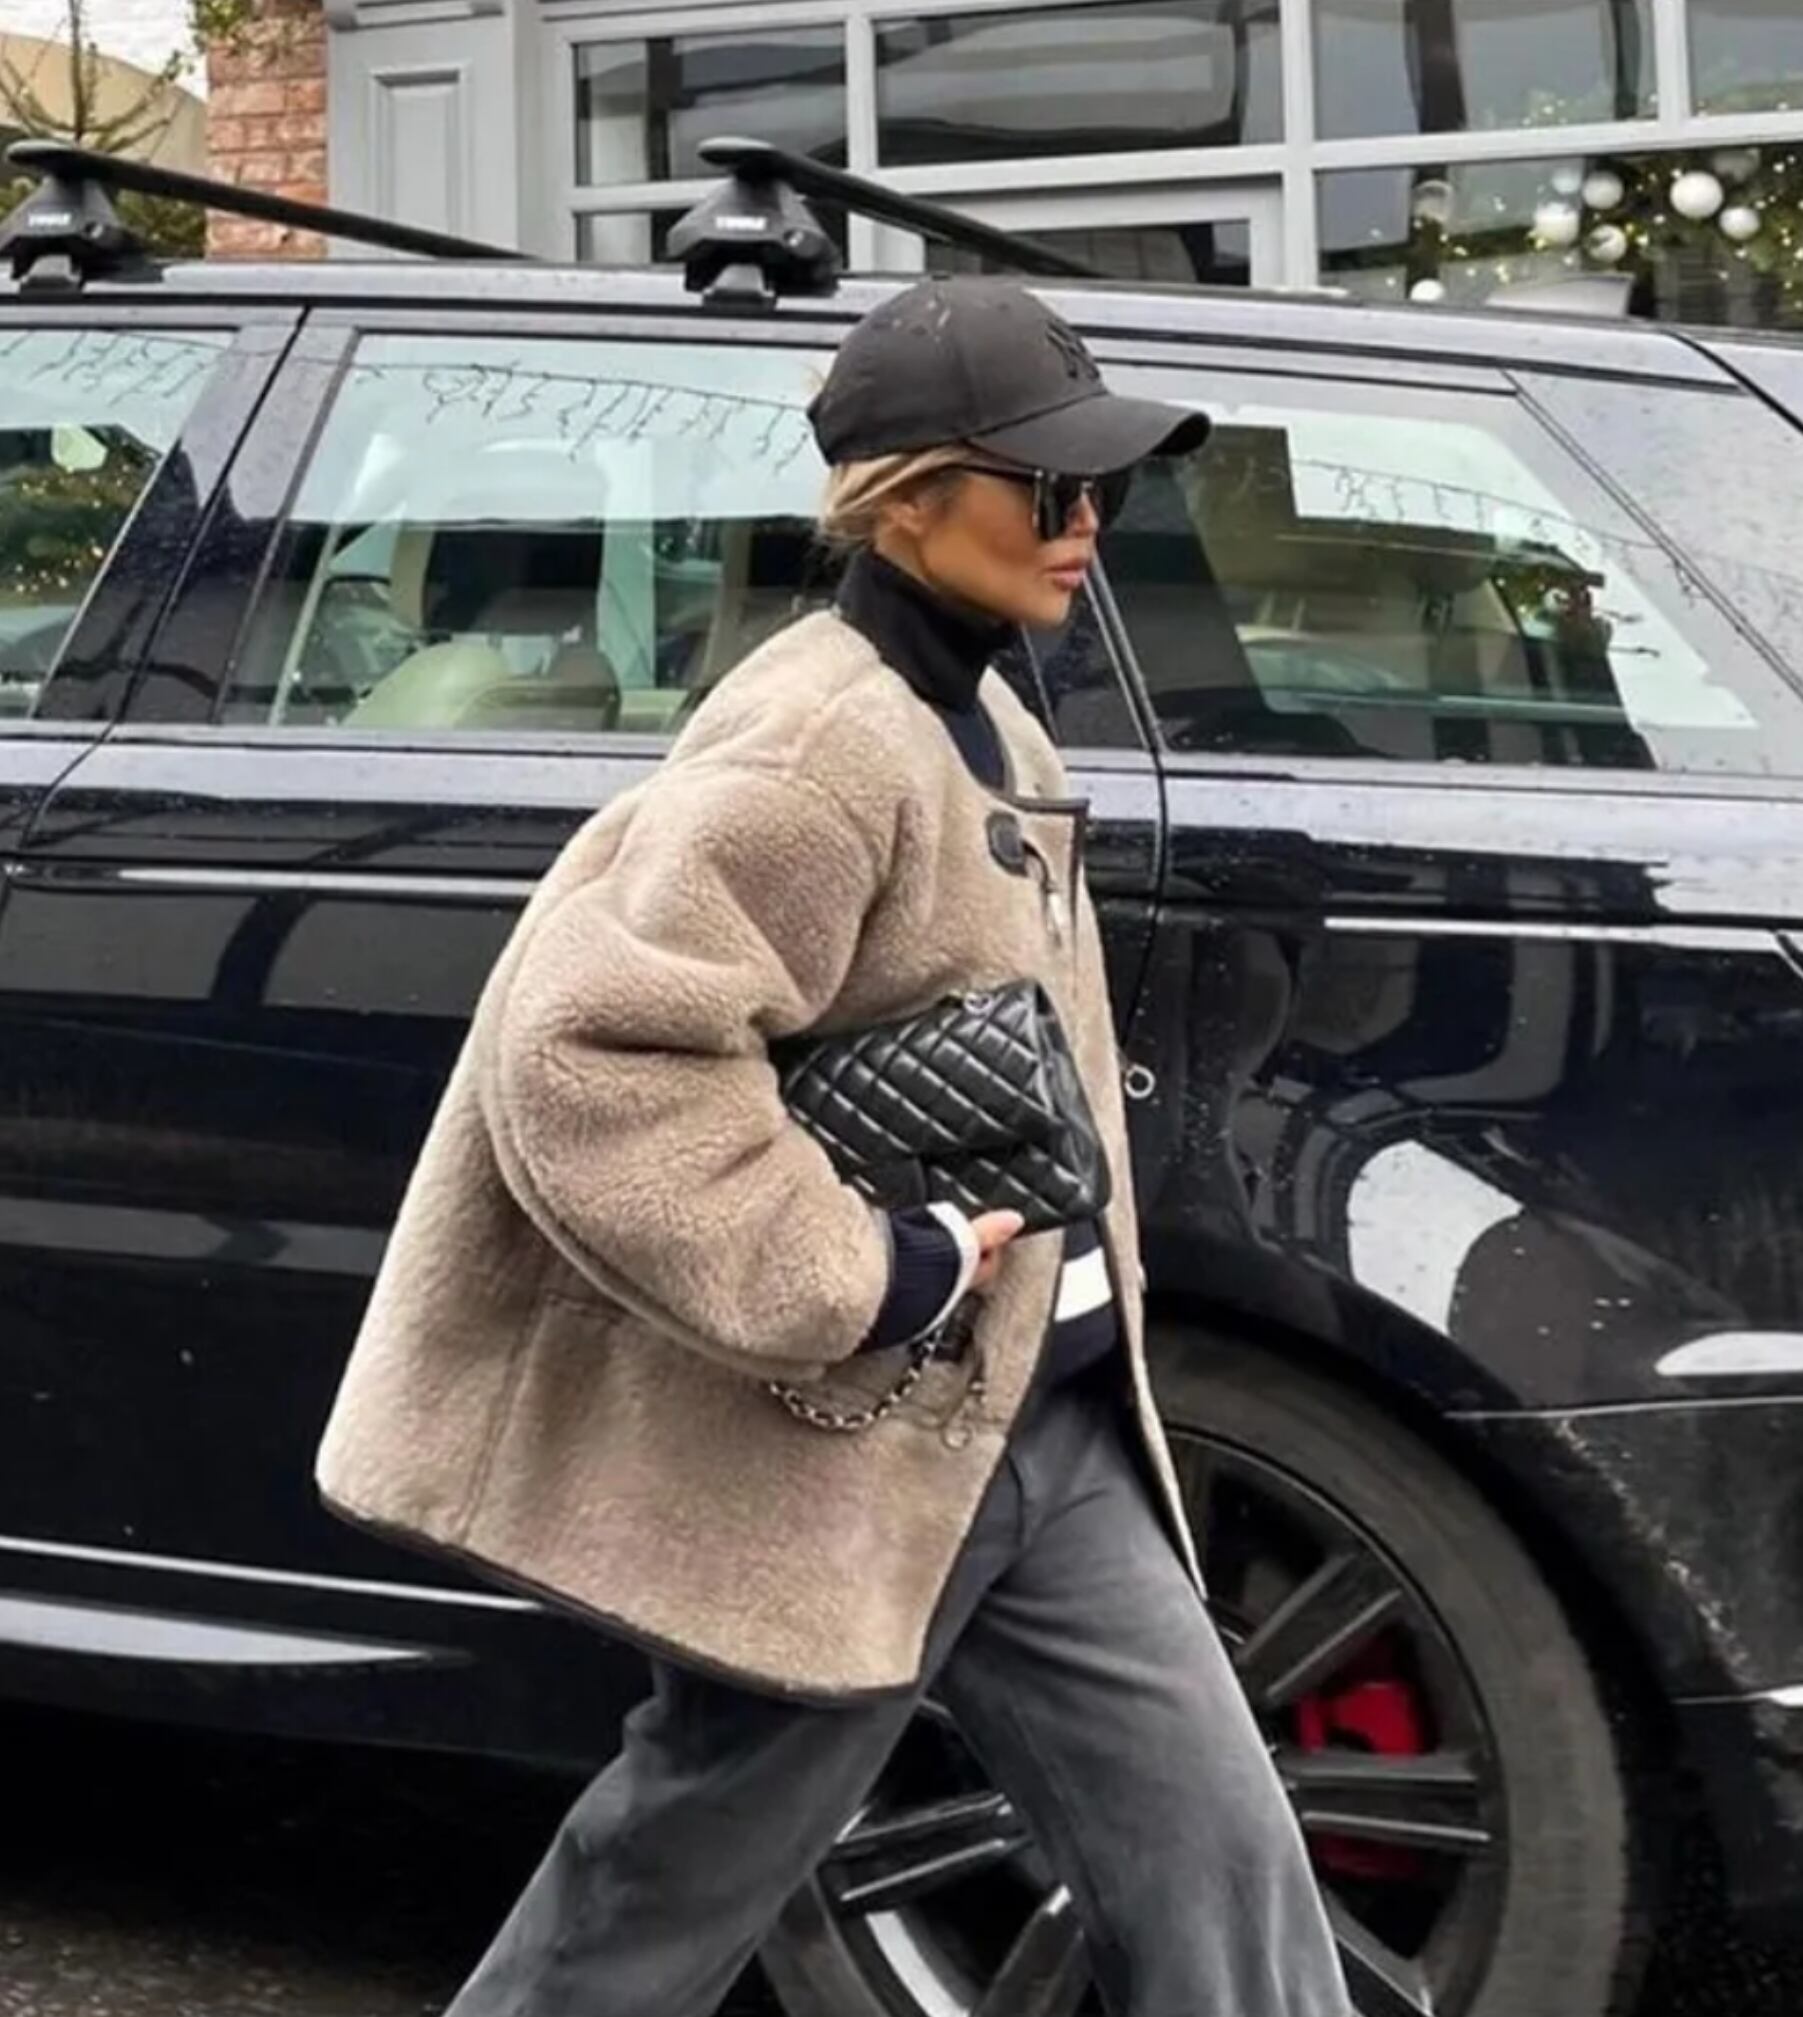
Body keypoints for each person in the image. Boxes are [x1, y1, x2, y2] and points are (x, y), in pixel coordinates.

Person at [313, 276, 1351, 2017]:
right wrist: (865, 1272)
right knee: (668, 1887)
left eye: (1103, 485)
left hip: (1037, 1420)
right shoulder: (819, 741)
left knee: (1220, 1873)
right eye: (1048, 485)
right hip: (860, 1439)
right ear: (907, 498)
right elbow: (592, 1047)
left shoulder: (987, 713)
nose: (1087, 521)